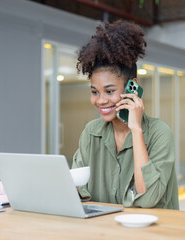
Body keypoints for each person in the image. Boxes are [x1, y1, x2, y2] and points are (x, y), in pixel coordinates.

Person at [72, 20, 179, 209]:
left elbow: (147, 199)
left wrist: (136, 129)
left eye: (110, 91)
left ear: (133, 87)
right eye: (95, 92)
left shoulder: (159, 133)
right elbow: (76, 190)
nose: (100, 100)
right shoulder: (91, 132)